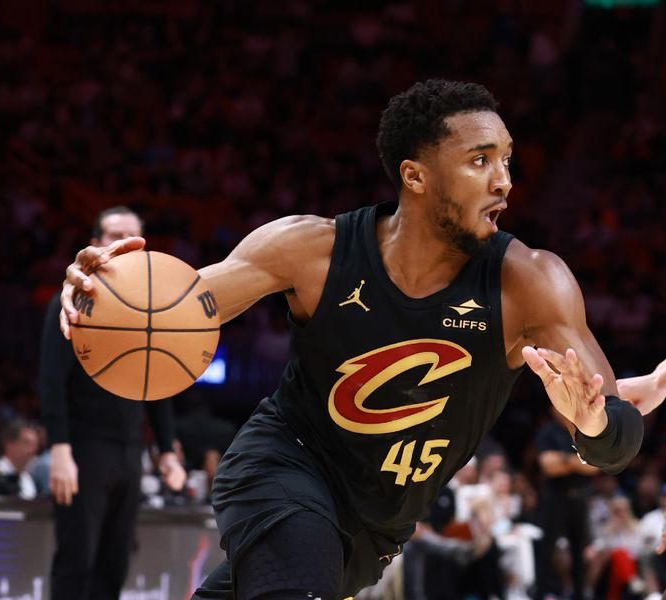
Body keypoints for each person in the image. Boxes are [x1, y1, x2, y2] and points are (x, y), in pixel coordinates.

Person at [59, 80, 644, 599]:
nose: (504, 182)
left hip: (372, 529)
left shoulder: (531, 281)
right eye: (480, 160)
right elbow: (180, 307)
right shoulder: (311, 250)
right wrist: (98, 296)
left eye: (507, 160)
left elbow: (615, 438)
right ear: (414, 175)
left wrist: (593, 424)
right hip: (283, 464)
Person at [40, 206, 186, 600]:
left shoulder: (151, 309)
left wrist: (167, 450)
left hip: (129, 449)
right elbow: (51, 381)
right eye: (113, 235)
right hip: (84, 447)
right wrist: (59, 448)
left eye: (131, 237)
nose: (122, 245)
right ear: (95, 244)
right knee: (77, 559)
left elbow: (158, 385)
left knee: (115, 562)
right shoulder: (73, 301)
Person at [535, 407, 599, 599]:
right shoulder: (547, 431)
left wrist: (562, 460)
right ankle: (540, 594)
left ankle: (579, 595)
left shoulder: (584, 431)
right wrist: (578, 462)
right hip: (556, 496)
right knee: (547, 548)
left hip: (580, 498)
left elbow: (595, 467)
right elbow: (547, 466)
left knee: (579, 551)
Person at [0, 419, 39, 499]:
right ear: (9, 444)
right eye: (27, 443)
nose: (33, 449)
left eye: (35, 444)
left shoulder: (27, 478)